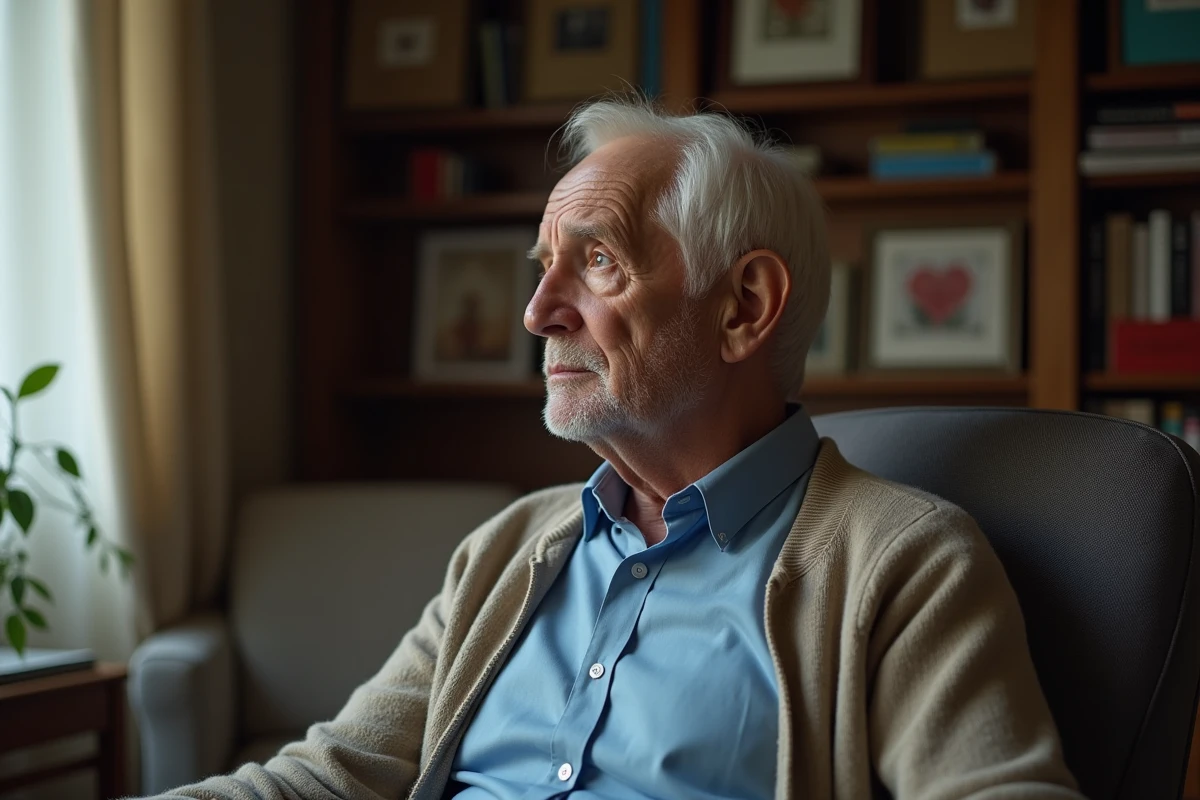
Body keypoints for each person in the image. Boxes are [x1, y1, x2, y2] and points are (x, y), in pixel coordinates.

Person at [144, 99, 1083, 800]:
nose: (537, 312)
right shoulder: (509, 548)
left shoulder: (903, 564)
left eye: (596, 262)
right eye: (543, 266)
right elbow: (329, 778)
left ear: (744, 307)